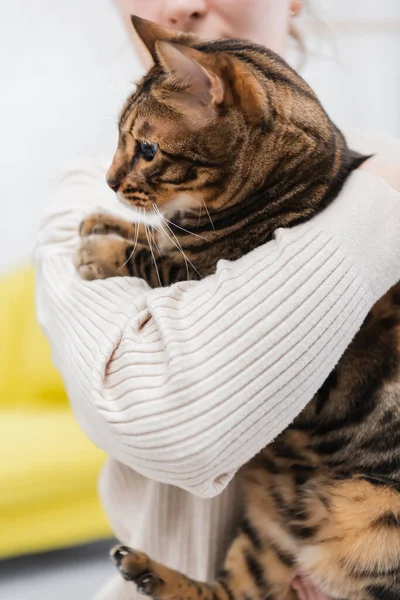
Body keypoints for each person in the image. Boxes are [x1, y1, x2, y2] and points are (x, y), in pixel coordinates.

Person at [34, 1, 400, 599]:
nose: (184, 2)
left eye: (145, 152)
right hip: (269, 532)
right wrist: (383, 202)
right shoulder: (74, 203)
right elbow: (179, 429)